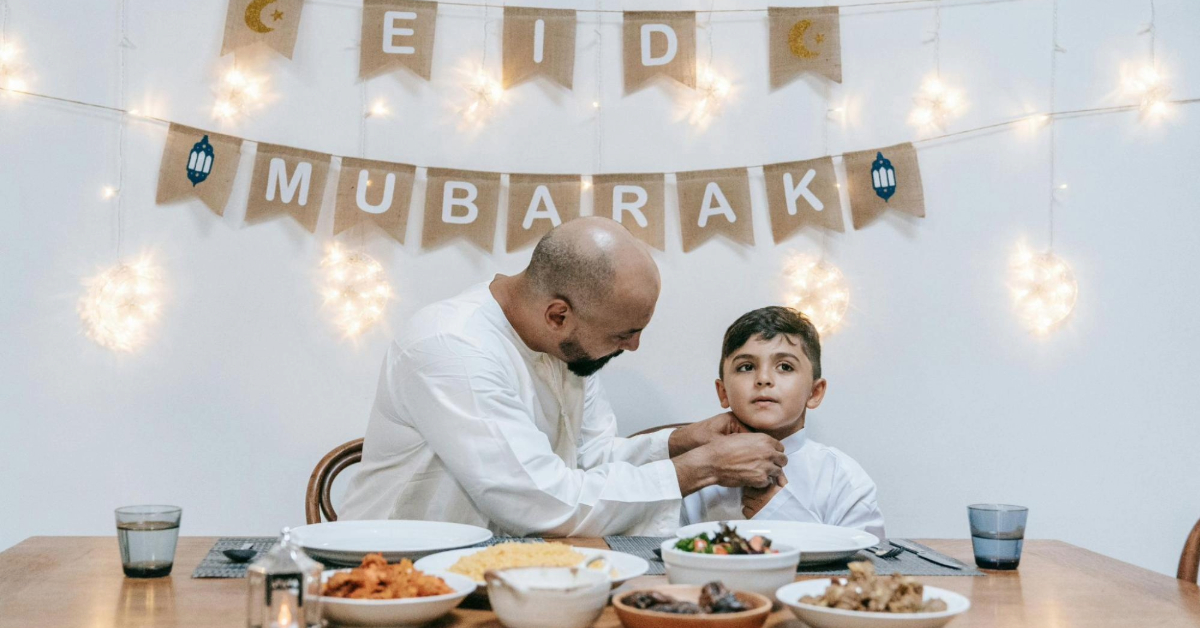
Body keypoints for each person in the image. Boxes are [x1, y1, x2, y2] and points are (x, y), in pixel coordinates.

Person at [341, 217, 788, 536]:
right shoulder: (453, 347)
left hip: (499, 569)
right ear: (558, 314)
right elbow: (541, 501)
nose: (633, 347)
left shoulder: (568, 347)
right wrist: (701, 469)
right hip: (392, 574)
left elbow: (589, 462)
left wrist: (682, 441)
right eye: (624, 333)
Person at [681, 306, 886, 540]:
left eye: (785, 367)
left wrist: (779, 509)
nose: (764, 379)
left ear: (815, 392)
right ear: (723, 392)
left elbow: (870, 560)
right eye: (746, 367)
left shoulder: (843, 478)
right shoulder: (697, 473)